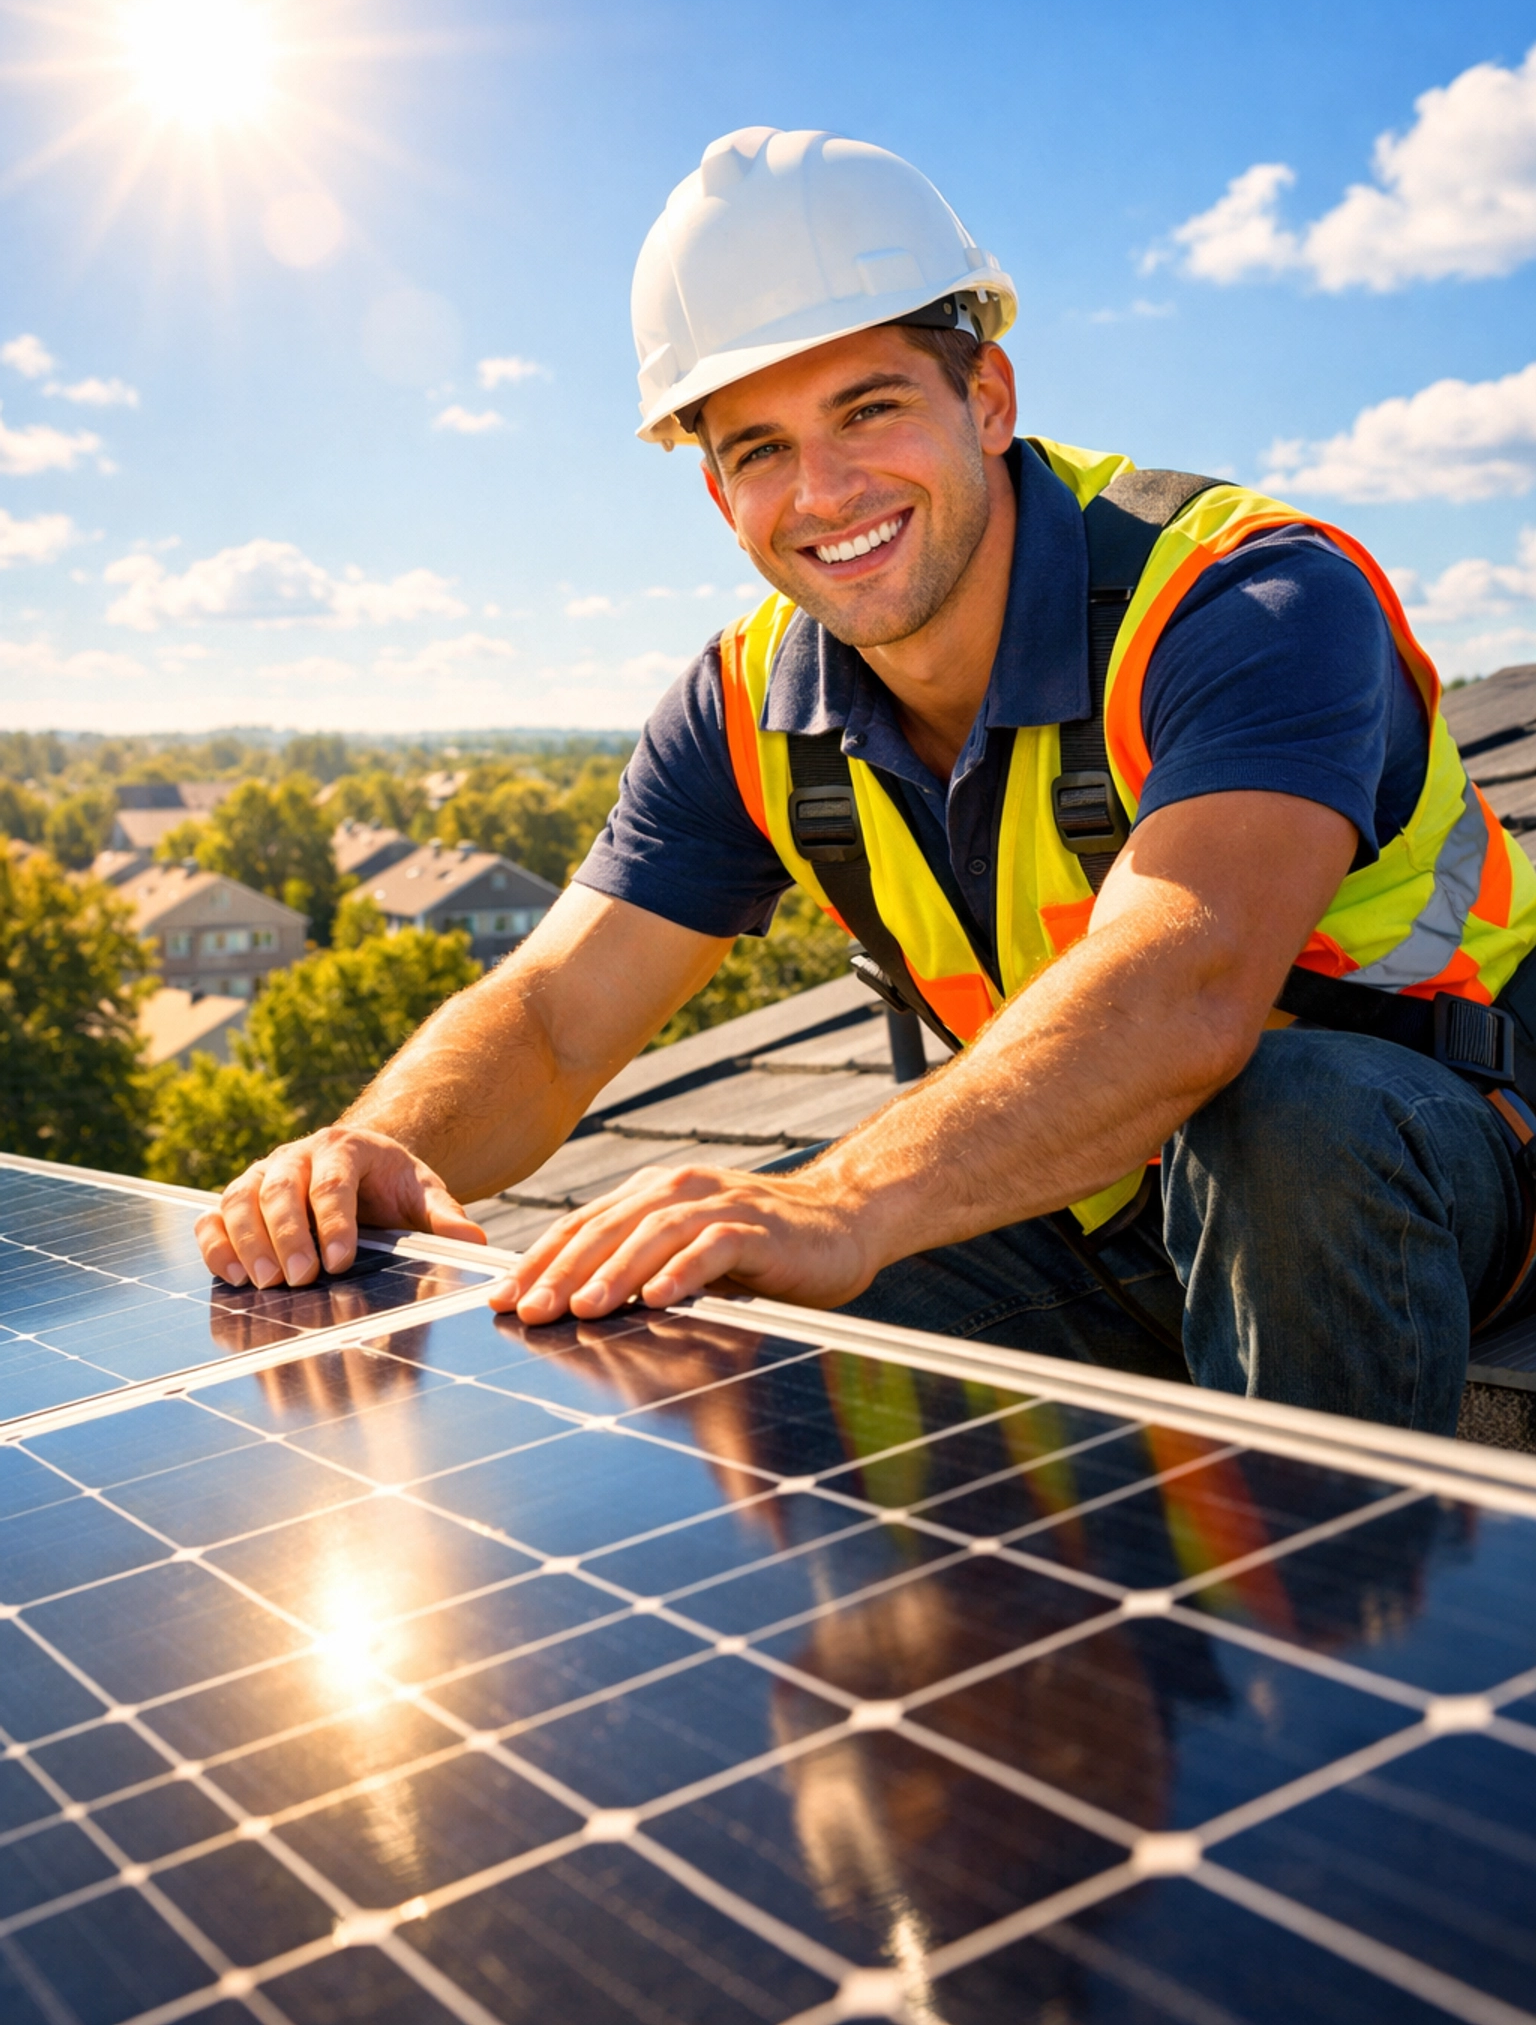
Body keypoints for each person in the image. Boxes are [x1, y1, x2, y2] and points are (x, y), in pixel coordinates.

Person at [196, 127, 1536, 1435]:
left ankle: (1328, 1638)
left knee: (1284, 1125)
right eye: (760, 449)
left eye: (869, 409)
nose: (824, 491)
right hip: (1101, 1209)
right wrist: (378, 1148)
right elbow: (553, 1018)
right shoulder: (744, 708)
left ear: (989, 401)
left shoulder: (1241, 599)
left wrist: (842, 1203)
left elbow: (1183, 990)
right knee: (702, 1295)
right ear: (722, 497)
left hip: (1436, 1167)